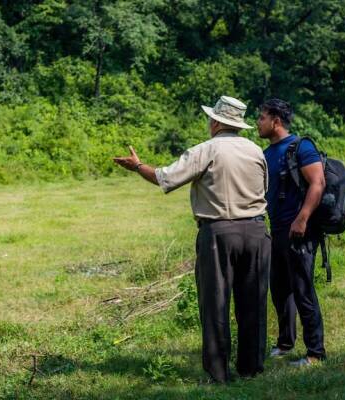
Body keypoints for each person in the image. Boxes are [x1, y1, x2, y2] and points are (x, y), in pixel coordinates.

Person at [113, 96, 270, 383]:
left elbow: (165, 178)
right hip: (257, 232)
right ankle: (251, 368)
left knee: (215, 303)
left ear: (216, 122)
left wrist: (137, 166)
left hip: (219, 232)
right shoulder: (256, 151)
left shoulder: (206, 150)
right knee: (253, 303)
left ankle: (218, 374)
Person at [256, 98, 327, 367]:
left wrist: (303, 218)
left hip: (299, 230)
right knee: (280, 289)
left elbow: (317, 183)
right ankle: (285, 343)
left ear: (276, 121)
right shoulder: (267, 152)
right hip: (277, 230)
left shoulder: (301, 147)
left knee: (302, 290)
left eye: (262, 118)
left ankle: (315, 353)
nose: (258, 123)